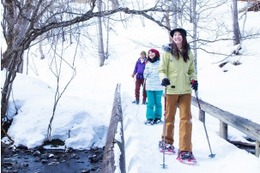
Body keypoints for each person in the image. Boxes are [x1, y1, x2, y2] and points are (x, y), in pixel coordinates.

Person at [158, 28, 198, 164]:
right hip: (171, 90)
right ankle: (166, 141)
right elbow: (161, 70)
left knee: (186, 119)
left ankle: (185, 150)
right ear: (172, 38)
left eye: (180, 35)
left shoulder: (189, 53)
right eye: (175, 35)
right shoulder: (167, 53)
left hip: (186, 90)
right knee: (169, 117)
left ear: (184, 37)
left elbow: (192, 70)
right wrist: (163, 78)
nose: (177, 37)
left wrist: (194, 80)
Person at [143, 49, 163, 125]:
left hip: (158, 86)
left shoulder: (161, 63)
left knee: (158, 103)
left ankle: (158, 118)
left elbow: (163, 72)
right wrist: (146, 72)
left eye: (152, 52)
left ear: (156, 53)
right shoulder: (147, 64)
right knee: (150, 103)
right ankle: (150, 118)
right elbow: (144, 76)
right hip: (149, 87)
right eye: (149, 53)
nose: (150, 54)